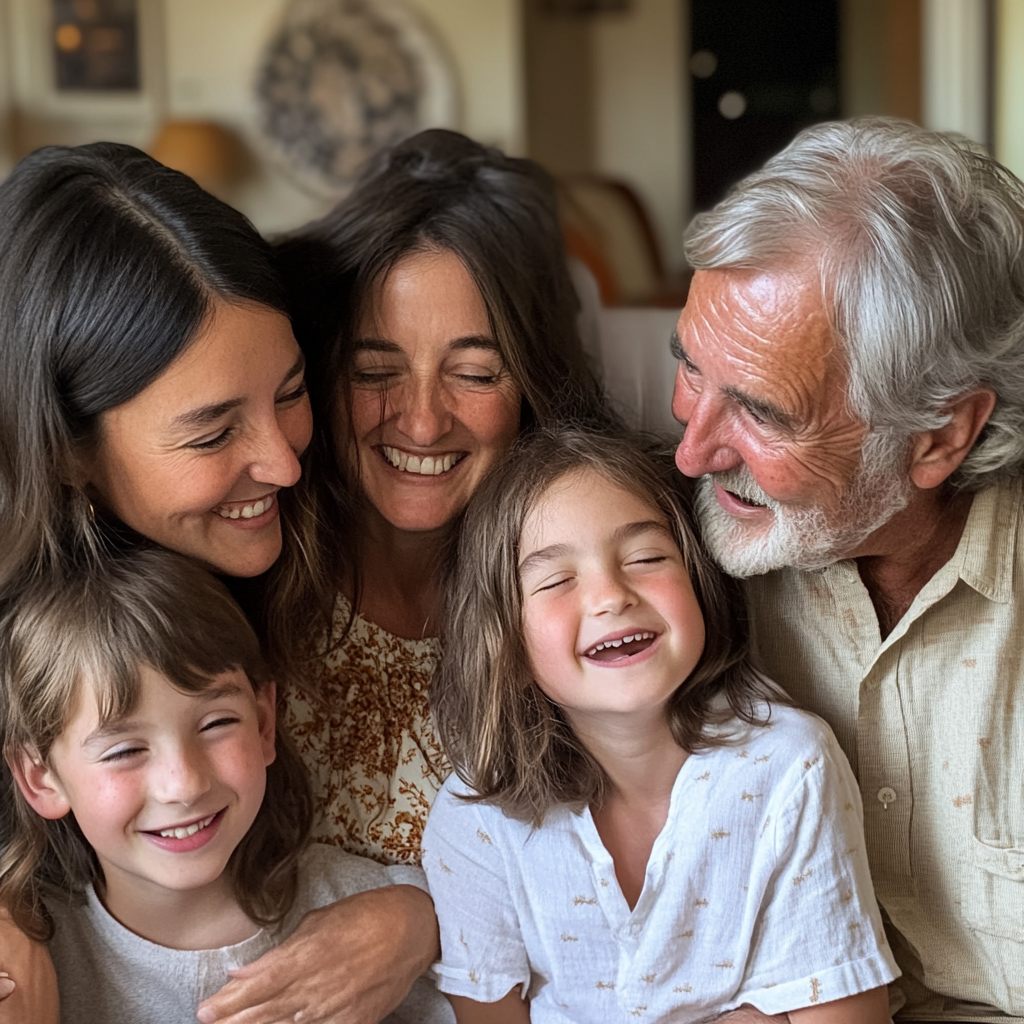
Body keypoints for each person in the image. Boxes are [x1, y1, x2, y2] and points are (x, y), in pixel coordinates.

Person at [0, 142, 436, 1024]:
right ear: (69, 454)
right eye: (211, 435)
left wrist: (423, 919)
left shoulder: (345, 535)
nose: (281, 462)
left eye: (288, 393)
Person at [670, 117, 1024, 1021]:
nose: (693, 450)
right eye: (688, 371)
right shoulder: (665, 560)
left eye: (760, 411)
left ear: (940, 436)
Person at [423, 428, 897, 1023]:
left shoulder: (790, 767)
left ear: (698, 581)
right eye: (556, 581)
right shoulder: (475, 819)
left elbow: (846, 1017)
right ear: (506, 646)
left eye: (646, 559)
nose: (610, 595)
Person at [257, 129, 613, 867]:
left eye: (476, 375)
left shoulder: (585, 596)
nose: (421, 422)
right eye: (374, 371)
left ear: (533, 389)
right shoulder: (250, 561)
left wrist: (418, 921)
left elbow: (624, 864)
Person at [0, 546, 449, 1024]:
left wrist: (422, 921)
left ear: (263, 724)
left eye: (216, 724)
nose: (185, 784)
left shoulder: (368, 910)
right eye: (125, 751)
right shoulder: (28, 962)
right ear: (39, 778)